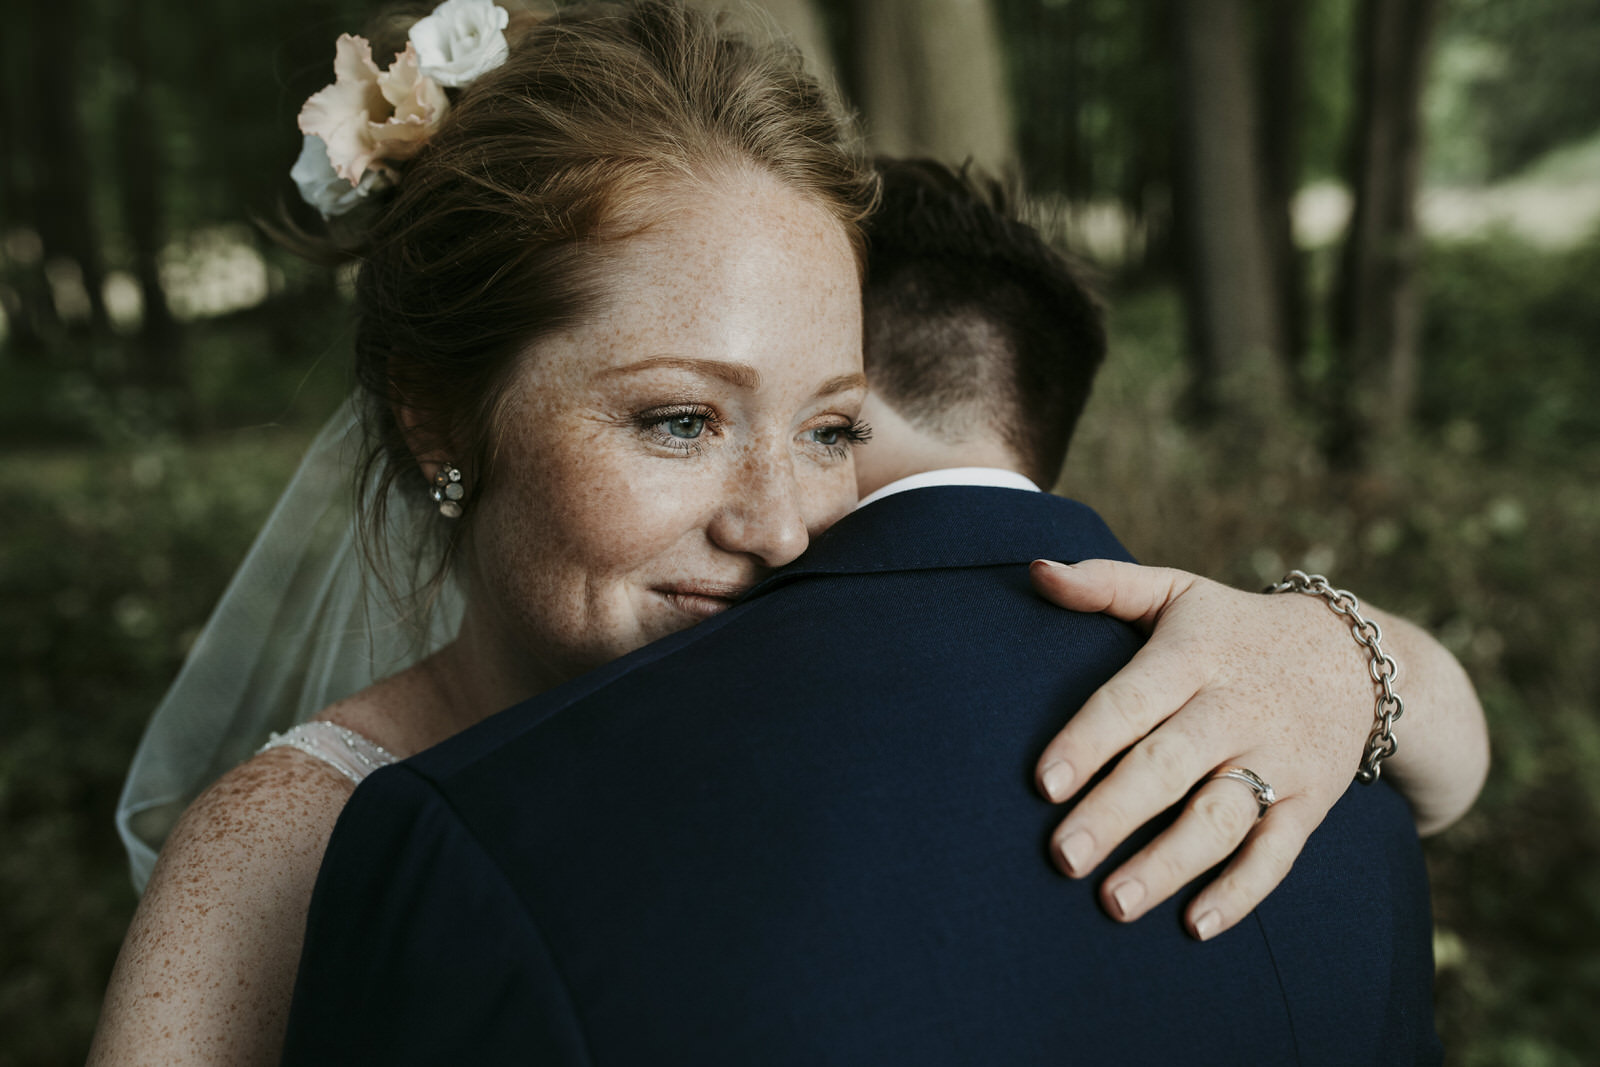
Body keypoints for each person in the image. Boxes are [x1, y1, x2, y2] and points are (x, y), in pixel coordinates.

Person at [90, 3, 1485, 1063]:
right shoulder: (282, 850)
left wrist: (1342, 654)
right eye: (679, 422)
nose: (780, 526)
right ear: (441, 421)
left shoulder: (894, 721)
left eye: (828, 431)